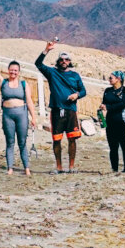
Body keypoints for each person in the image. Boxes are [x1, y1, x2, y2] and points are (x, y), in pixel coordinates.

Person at [0, 42, 35, 176]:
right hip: (7, 115)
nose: (13, 72)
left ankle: (26, 168)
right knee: (10, 142)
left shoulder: (23, 84)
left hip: (21, 113)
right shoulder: (2, 82)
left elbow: (29, 101)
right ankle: (10, 168)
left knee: (22, 142)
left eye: (16, 70)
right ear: (8, 70)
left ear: (19, 72)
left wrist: (34, 117)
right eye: (11, 70)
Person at [35, 40, 87, 174]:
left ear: (70, 61)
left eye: (66, 59)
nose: (64, 61)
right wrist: (46, 50)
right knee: (57, 140)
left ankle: (71, 167)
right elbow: (38, 64)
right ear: (58, 61)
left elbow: (83, 91)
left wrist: (77, 95)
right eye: (62, 59)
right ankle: (58, 167)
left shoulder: (75, 75)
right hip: (57, 110)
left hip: (71, 111)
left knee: (72, 139)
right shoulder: (52, 73)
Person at [101, 70, 125, 174]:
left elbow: (123, 104)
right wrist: (102, 107)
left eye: (111, 78)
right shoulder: (107, 90)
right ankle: (114, 168)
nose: (109, 80)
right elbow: (104, 102)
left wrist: (108, 107)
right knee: (113, 146)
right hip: (110, 121)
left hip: (123, 121)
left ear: (118, 79)